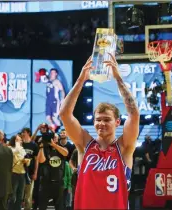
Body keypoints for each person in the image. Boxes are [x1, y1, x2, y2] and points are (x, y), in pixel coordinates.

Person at [59, 54, 140, 209]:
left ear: (117, 122)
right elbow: (64, 114)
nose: (101, 123)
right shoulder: (84, 144)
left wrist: (118, 78)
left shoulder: (124, 147)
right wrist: (81, 80)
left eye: (106, 120)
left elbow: (134, 114)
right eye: (98, 120)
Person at [37, 132, 68, 210]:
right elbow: (41, 161)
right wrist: (41, 147)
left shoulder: (60, 148)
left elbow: (66, 153)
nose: (54, 139)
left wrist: (54, 145)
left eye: (55, 137)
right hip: (46, 182)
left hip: (58, 182)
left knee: (59, 206)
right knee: (42, 206)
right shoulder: (45, 149)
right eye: (53, 137)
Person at [8, 134, 30, 210]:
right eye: (18, 140)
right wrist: (17, 144)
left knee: (20, 196)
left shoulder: (22, 149)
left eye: (20, 140)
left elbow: (26, 160)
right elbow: (16, 152)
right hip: (13, 173)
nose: (20, 141)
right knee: (12, 196)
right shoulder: (10, 149)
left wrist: (26, 161)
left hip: (22, 173)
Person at [21, 127, 39, 210]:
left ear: (28, 133)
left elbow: (36, 160)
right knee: (19, 194)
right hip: (19, 172)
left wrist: (35, 172)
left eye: (24, 132)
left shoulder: (34, 145)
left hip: (30, 172)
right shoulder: (20, 144)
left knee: (28, 196)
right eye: (21, 132)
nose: (22, 134)